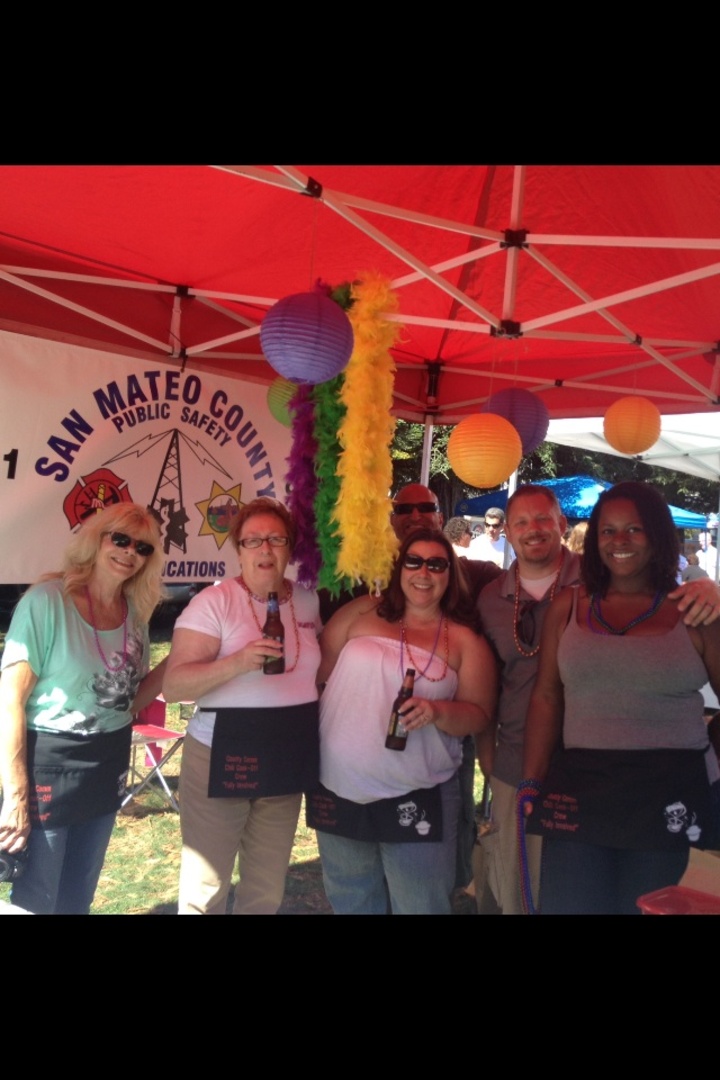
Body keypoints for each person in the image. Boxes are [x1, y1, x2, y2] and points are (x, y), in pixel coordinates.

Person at [477, 484, 720, 915]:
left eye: (634, 529)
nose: (619, 540)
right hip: (581, 786)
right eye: (608, 531)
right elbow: (547, 697)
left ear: (658, 534)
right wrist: (531, 779)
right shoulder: (569, 605)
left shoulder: (695, 610)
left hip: (670, 792)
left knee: (648, 906)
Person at [308, 528, 498, 914]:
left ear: (450, 574)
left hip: (417, 792)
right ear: (399, 569)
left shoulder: (465, 639)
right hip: (336, 785)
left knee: (420, 905)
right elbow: (314, 674)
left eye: (436, 564)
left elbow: (479, 715)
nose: (423, 573)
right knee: (352, 901)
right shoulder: (362, 611)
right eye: (413, 561)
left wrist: (438, 712)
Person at [0, 503, 165, 914]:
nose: (129, 552)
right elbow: (10, 701)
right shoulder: (47, 602)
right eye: (120, 539)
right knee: (37, 897)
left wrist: (179, 662)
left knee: (78, 896)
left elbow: (126, 701)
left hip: (107, 764)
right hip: (48, 765)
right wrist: (15, 795)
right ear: (96, 539)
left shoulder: (135, 614)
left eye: (142, 547)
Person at [163, 497, 321, 915]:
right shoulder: (214, 602)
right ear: (238, 549)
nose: (265, 549)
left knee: (266, 886)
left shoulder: (308, 601)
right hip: (222, 752)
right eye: (253, 540)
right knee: (206, 886)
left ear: (290, 547)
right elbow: (174, 685)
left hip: (286, 752)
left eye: (276, 539)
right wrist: (237, 662)